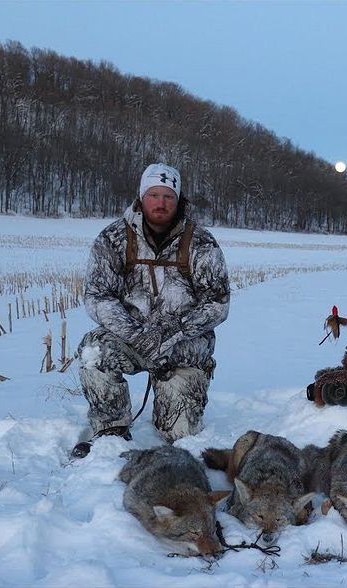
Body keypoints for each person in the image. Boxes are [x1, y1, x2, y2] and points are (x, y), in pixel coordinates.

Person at [74, 162, 230, 456]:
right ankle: (112, 429)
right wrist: (137, 334)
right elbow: (98, 297)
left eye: (168, 196)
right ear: (141, 197)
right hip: (132, 339)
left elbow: (217, 303)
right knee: (94, 352)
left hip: (184, 347)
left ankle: (176, 406)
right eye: (154, 195)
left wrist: (175, 332)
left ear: (179, 199)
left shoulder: (201, 242)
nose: (161, 203)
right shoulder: (113, 239)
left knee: (179, 436)